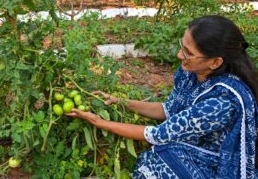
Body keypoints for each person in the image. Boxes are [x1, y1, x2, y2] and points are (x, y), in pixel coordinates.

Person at [67, 15, 258, 178]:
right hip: (198, 147)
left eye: (188, 53)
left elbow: (157, 135)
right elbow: (167, 110)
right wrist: (121, 102)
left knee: (162, 157)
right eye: (182, 46)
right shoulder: (192, 73)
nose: (179, 55)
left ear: (215, 62)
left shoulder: (223, 101)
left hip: (219, 165)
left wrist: (100, 122)